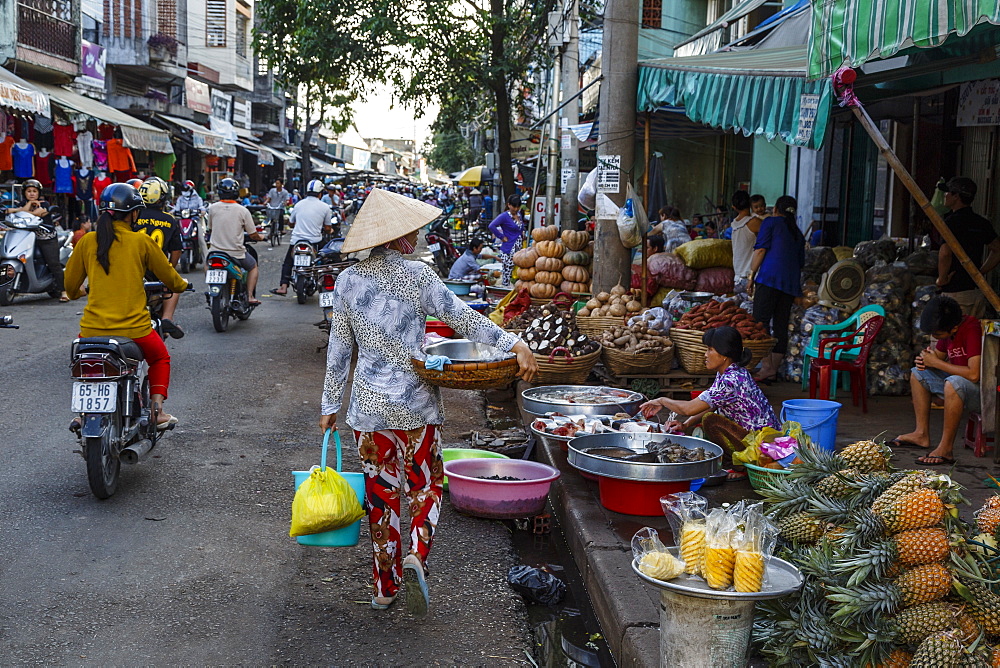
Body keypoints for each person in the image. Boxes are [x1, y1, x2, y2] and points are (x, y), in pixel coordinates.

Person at [320, 188, 538, 615]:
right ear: (399, 236)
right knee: (424, 485)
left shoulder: (347, 280)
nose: (418, 236)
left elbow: (339, 349)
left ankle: (386, 587)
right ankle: (417, 551)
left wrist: (329, 403)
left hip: (368, 410)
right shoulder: (420, 276)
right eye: (413, 231)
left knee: (382, 497)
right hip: (417, 406)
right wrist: (513, 342)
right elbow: (464, 319)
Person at [64, 183, 190, 427]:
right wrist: (182, 285)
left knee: (86, 366)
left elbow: (70, 288)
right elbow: (170, 278)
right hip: (135, 330)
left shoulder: (87, 242)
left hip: (92, 331)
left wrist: (80, 291)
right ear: (133, 213)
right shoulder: (140, 242)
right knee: (160, 358)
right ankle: (157, 411)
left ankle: (83, 414)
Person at [640, 326, 779, 480]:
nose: (705, 355)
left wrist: (662, 400)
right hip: (759, 438)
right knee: (710, 417)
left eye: (710, 350)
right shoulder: (731, 372)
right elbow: (711, 405)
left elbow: (689, 408)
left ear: (724, 354)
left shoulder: (730, 381)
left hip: (760, 445)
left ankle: (738, 466)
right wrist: (686, 425)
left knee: (711, 421)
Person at [891, 296, 982, 466]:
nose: (936, 337)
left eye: (939, 334)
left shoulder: (971, 328)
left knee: (953, 382)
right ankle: (921, 434)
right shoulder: (947, 330)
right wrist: (925, 361)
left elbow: (974, 374)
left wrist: (937, 363)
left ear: (954, 328)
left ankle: (946, 449)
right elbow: (937, 358)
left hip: (981, 394)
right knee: (917, 373)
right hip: (958, 387)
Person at [749, 195, 805, 382]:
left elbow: (760, 250)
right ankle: (772, 369)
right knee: (780, 325)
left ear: (775, 209)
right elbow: (801, 262)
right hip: (789, 284)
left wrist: (751, 275)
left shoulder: (770, 223)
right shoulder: (797, 232)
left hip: (769, 279)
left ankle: (766, 368)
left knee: (760, 322)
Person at [934, 176, 1000, 318]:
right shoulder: (981, 223)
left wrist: (942, 279)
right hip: (976, 292)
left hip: (954, 293)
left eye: (948, 192)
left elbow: (945, 253)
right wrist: (980, 272)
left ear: (956, 196)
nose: (945, 195)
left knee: (951, 337)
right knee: (973, 337)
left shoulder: (950, 222)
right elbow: (997, 249)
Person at [135, 176, 185, 339]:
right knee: (175, 284)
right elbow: (176, 250)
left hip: (132, 267)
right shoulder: (169, 220)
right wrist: (170, 267)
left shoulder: (133, 217)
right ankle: (167, 318)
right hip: (157, 271)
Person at [6, 178, 68, 301]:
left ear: (39, 193)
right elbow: (8, 211)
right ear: (24, 193)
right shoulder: (22, 204)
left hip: (46, 238)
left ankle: (63, 291)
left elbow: (37, 213)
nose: (32, 193)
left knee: (53, 264)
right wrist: (27, 205)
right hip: (27, 239)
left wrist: (21, 210)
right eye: (29, 191)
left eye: (34, 191)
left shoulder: (44, 204)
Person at [207, 178, 263, 304]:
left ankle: (211, 288)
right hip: (236, 254)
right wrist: (261, 237)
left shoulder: (212, 208)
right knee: (253, 266)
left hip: (215, 252)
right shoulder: (243, 210)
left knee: (207, 265)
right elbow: (253, 234)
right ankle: (249, 296)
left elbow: (210, 228)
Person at [271, 179, 331, 296]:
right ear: (320, 193)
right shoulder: (325, 207)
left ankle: (283, 287)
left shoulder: (299, 205)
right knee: (326, 259)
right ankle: (326, 283)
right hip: (315, 241)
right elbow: (328, 228)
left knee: (288, 262)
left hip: (297, 240)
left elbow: (291, 223)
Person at [730, 190, 762, 295]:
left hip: (738, 277)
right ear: (750, 203)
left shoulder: (734, 225)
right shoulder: (755, 222)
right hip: (751, 277)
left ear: (734, 207)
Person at [488, 194, 524, 287]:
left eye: (518, 207)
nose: (516, 209)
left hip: (518, 249)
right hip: (508, 249)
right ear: (509, 205)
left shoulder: (519, 215)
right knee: (507, 274)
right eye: (514, 206)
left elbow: (520, 229)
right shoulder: (504, 216)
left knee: (518, 273)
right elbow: (491, 226)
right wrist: (501, 236)